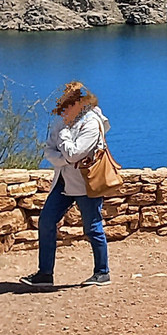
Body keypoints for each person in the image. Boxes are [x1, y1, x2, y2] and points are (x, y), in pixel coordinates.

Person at [20, 82, 112, 288]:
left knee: (93, 227)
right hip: (63, 183)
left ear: (80, 103)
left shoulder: (91, 124)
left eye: (67, 107)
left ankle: (102, 272)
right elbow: (50, 152)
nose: (63, 112)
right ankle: (45, 274)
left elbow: (74, 153)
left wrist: (64, 139)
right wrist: (64, 158)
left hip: (86, 184)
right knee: (46, 221)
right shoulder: (63, 123)